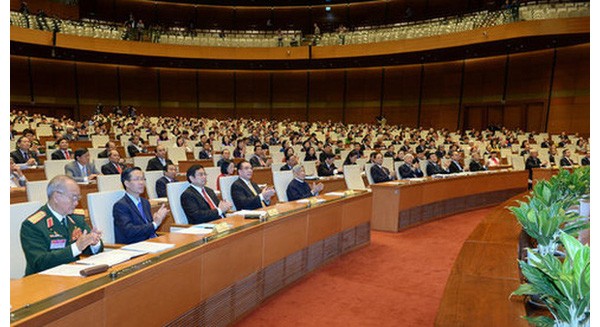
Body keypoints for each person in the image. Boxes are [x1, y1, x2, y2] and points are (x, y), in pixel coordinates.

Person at [20, 175, 103, 275]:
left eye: (78, 198)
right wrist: (76, 247)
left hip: (73, 274)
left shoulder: (77, 218)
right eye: (73, 198)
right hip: (43, 281)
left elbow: (87, 250)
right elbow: (39, 263)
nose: (76, 202)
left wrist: (94, 242)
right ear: (56, 197)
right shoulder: (33, 225)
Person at [113, 167, 170, 244]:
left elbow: (150, 228)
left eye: (143, 179)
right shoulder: (121, 206)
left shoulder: (145, 202)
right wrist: (155, 223)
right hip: (135, 246)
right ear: (127, 183)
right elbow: (129, 231)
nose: (141, 182)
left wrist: (156, 220)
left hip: (151, 242)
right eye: (137, 179)